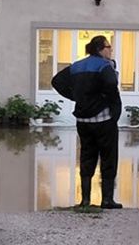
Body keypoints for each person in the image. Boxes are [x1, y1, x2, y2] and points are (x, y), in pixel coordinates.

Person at [51, 35, 123, 209]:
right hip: (104, 119)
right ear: (100, 49)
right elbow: (111, 83)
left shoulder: (77, 66)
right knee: (108, 157)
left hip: (83, 120)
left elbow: (57, 81)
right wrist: (111, 104)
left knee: (86, 156)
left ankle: (85, 200)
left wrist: (76, 96)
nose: (110, 50)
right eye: (108, 47)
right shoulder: (104, 66)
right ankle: (107, 200)